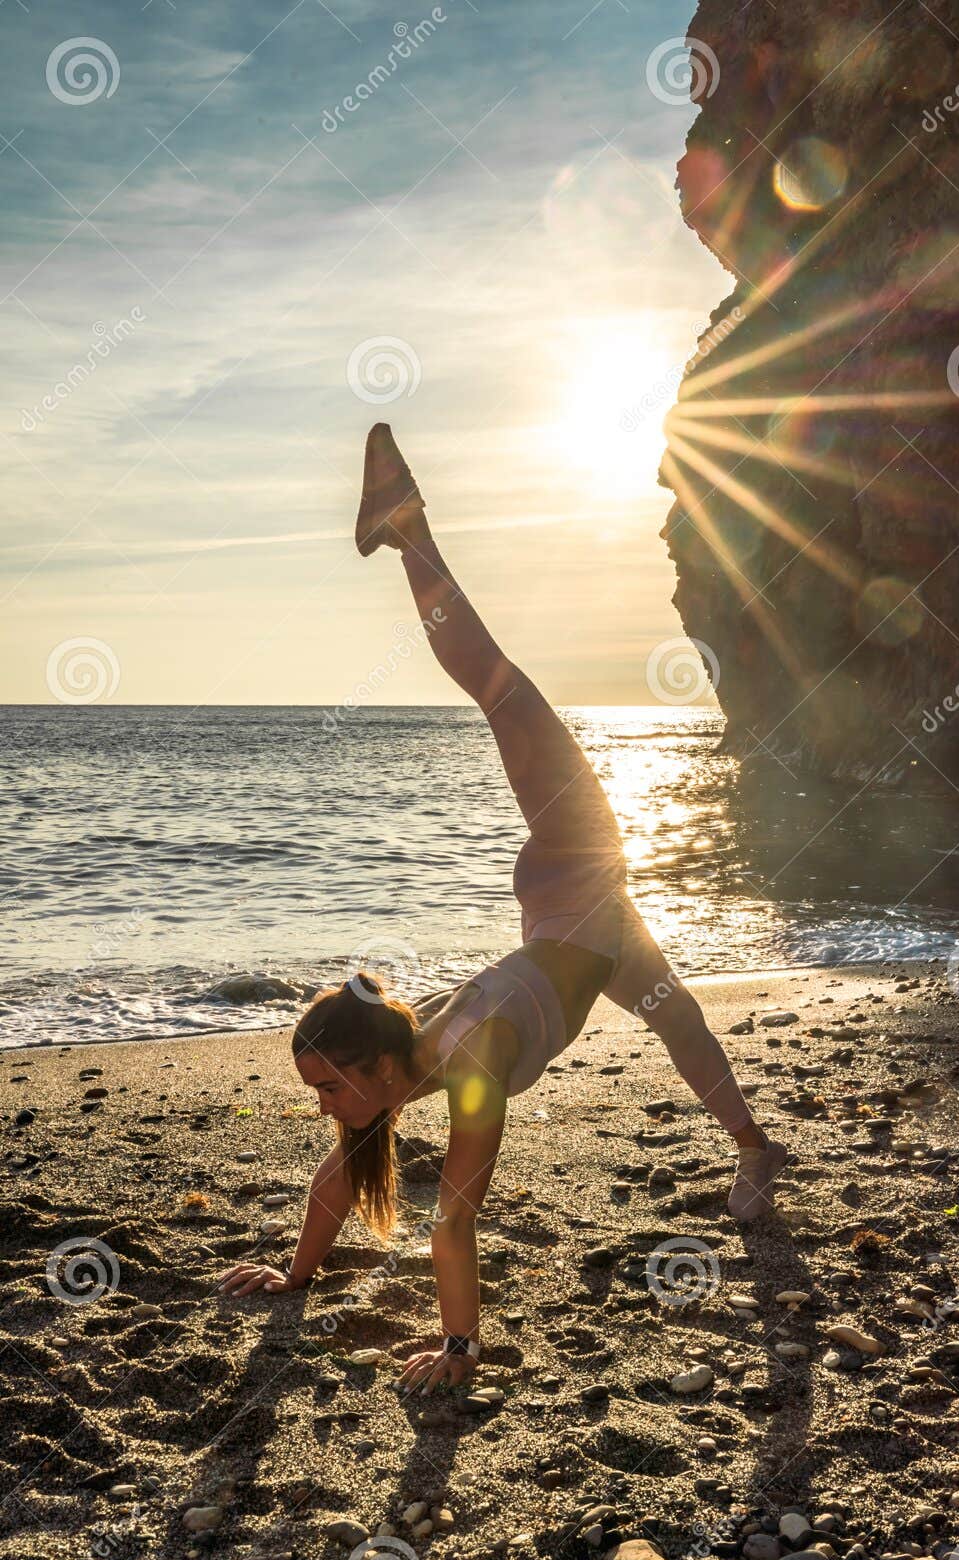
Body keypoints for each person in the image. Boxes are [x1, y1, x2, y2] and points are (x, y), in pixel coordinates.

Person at [218, 425, 788, 1394]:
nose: (321, 1105)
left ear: (370, 1065)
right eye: (318, 1089)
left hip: (574, 869)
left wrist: (456, 1350)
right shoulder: (390, 1077)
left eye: (324, 1085)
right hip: (579, 923)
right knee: (675, 1015)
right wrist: (292, 1276)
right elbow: (337, 1181)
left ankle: (406, 528)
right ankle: (753, 1151)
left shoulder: (468, 1062)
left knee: (500, 692)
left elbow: (452, 1218)